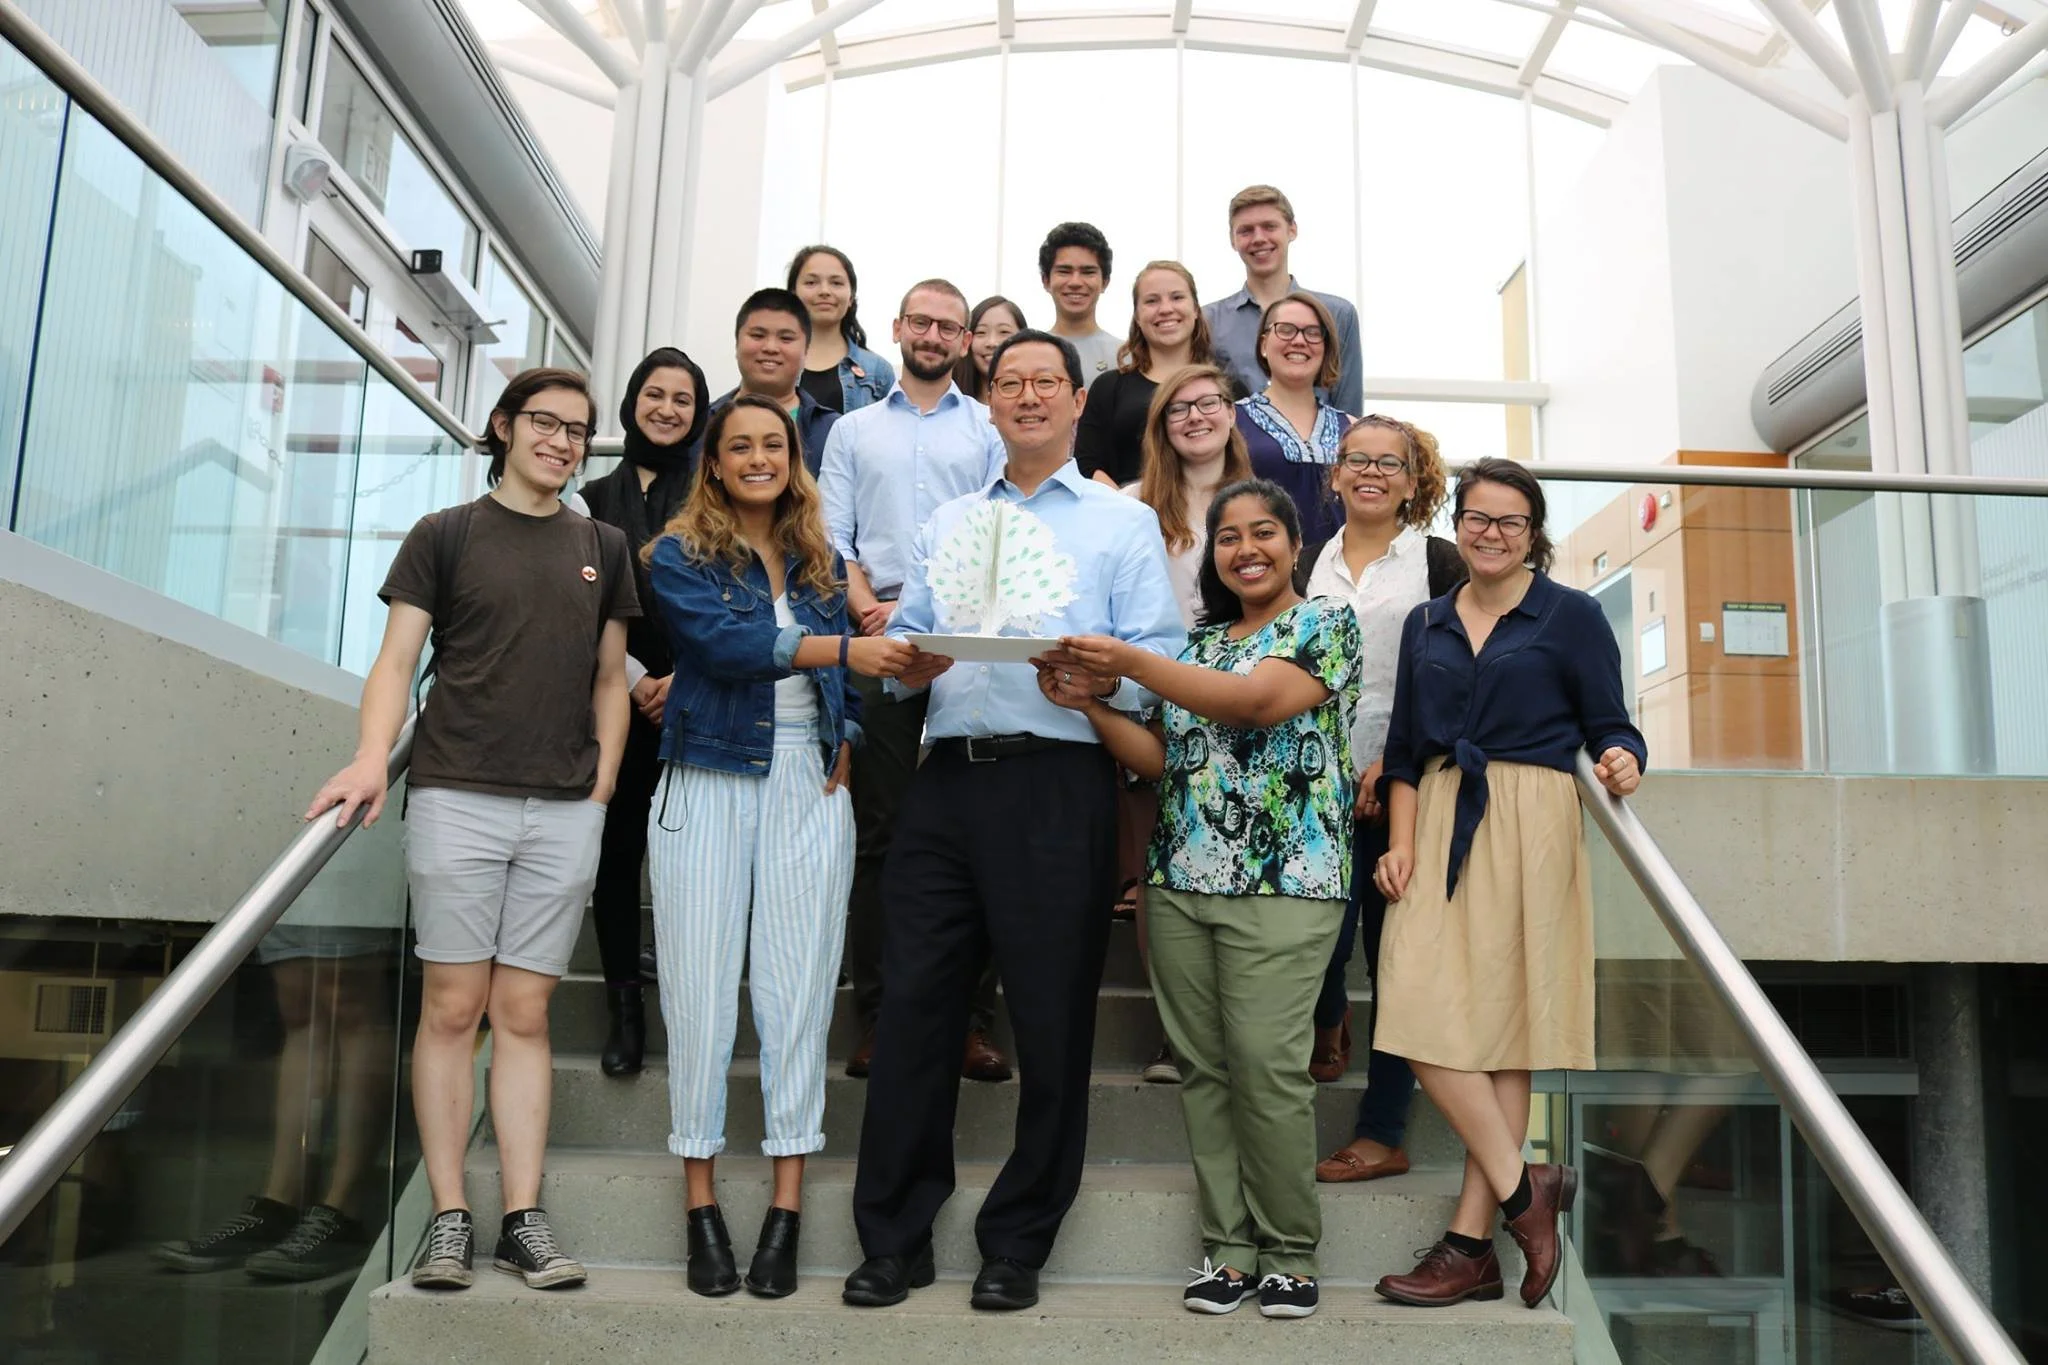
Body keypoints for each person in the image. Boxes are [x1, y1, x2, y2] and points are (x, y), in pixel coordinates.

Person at [842, 331, 1186, 1314]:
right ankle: (893, 1237)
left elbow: (1156, 664)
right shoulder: (952, 519)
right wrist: (907, 660)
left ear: (1078, 400)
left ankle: (1018, 1239)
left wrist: (1100, 679)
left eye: (1045, 382)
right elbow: (912, 642)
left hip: (1059, 783)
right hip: (946, 781)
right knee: (914, 1008)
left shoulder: (1121, 524)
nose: (1027, 395)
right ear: (987, 402)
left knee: (1050, 1014)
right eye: (1009, 383)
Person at [304, 367, 637, 1294]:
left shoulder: (604, 545)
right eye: (544, 422)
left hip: (565, 808)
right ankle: (451, 1215)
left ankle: (522, 1218)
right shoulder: (443, 534)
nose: (561, 441)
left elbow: (610, 678)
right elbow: (395, 662)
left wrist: (603, 784)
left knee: (524, 1012)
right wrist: (371, 758)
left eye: (577, 430)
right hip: (457, 795)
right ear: (503, 426)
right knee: (453, 1007)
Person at [1044, 477, 1359, 1321]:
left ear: (1295, 543)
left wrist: (1130, 662)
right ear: (1212, 554)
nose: (1246, 549)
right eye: (1228, 537)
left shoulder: (1325, 623)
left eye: (1264, 532)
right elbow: (1164, 761)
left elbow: (1257, 706)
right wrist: (1090, 705)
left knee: (1266, 1065)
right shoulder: (1200, 644)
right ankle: (1229, 1250)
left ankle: (1289, 1252)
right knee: (1206, 1069)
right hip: (1179, 881)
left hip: (1288, 883)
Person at [643, 394, 916, 1299]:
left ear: (793, 459)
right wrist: (842, 653)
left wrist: (847, 730)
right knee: (699, 995)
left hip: (810, 784)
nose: (758, 457)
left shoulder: (821, 560)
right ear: (714, 463)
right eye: (740, 446)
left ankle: (785, 1210)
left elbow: (843, 680)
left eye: (774, 444)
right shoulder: (678, 554)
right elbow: (726, 646)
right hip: (708, 778)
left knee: (797, 993)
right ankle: (701, 1205)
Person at [1370, 457, 1646, 1311]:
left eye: (1509, 521)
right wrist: (1401, 843)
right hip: (1440, 815)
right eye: (1477, 518)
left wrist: (1623, 758)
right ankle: (1530, 1192)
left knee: (1503, 1029)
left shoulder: (1572, 615)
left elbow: (1612, 723)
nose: (1491, 533)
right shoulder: (1425, 621)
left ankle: (1469, 1245)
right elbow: (1406, 747)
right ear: (1456, 524)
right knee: (1411, 1005)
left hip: (1531, 819)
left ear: (1534, 533)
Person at [820, 279, 1014, 1084]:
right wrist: (874, 611)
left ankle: (969, 1023)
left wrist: (950, 614)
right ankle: (882, 1018)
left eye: (949, 326)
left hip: (972, 638)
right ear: (898, 328)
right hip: (880, 639)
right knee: (885, 834)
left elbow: (1005, 524)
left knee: (983, 837)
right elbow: (831, 537)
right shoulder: (853, 430)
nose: (934, 335)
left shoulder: (991, 427)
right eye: (922, 321)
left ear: (967, 340)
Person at [1299, 416, 1462, 1188]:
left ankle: (1383, 1130)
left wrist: (1395, 762)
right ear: (1335, 474)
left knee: (1394, 962)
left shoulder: (1438, 561)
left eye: (1389, 462)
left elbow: (1458, 673)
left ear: (1413, 480)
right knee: (1320, 950)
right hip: (1309, 790)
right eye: (1356, 459)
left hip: (1407, 788)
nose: (1371, 472)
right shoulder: (1305, 559)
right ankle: (1330, 1013)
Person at [577, 346, 710, 1077]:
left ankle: (692, 1010)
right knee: (618, 852)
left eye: (683, 399)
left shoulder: (716, 492)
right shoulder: (592, 497)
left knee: (693, 860)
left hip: (703, 695)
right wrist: (634, 680)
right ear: (632, 403)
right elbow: (581, 604)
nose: (667, 409)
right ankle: (623, 1007)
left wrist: (684, 678)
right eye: (655, 395)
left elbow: (735, 597)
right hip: (616, 700)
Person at [1117, 363, 1252, 1083]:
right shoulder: (1131, 507)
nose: (1196, 417)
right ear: (1161, 426)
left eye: (1210, 403)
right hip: (1154, 708)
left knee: (1233, 874)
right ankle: (1178, 1034)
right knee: (1160, 878)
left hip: (1244, 703)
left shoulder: (1263, 501)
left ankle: (1240, 1031)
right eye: (1179, 409)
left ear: (1232, 414)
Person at [1203, 185, 1363, 414]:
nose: (1259, 238)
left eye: (1269, 227)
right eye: (1246, 231)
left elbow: (1349, 411)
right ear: (1233, 240)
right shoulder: (1209, 321)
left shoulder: (1338, 314)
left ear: (1292, 230)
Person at [1076, 260, 1217, 489]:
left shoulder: (1226, 387)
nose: (1165, 309)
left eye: (1177, 297)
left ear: (1195, 310)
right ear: (1137, 317)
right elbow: (1087, 464)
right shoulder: (1108, 387)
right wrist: (1130, 505)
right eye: (1152, 301)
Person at [1233, 293, 1352, 546]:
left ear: (1326, 348)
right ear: (1264, 344)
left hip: (1339, 567)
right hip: (1259, 563)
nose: (1299, 341)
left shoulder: (1353, 428)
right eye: (1286, 330)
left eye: (1313, 333)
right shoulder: (1231, 422)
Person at [711, 288, 840, 474]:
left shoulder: (833, 431)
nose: (770, 348)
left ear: (806, 350)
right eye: (757, 335)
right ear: (737, 343)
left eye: (786, 338)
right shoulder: (701, 424)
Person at [788, 244, 895, 413]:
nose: (824, 291)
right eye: (811, 282)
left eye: (836, 283)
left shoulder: (878, 371)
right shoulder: (773, 360)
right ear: (793, 293)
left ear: (851, 297)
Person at [1038, 222, 1121, 382]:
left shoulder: (1125, 357)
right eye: (1064, 271)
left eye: (1088, 272)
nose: (1075, 282)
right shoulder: (1028, 353)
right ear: (1046, 280)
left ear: (1105, 282)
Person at [953, 296, 1027, 403]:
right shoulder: (949, 402)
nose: (992, 343)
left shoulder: (1035, 402)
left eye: (1004, 332)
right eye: (981, 332)